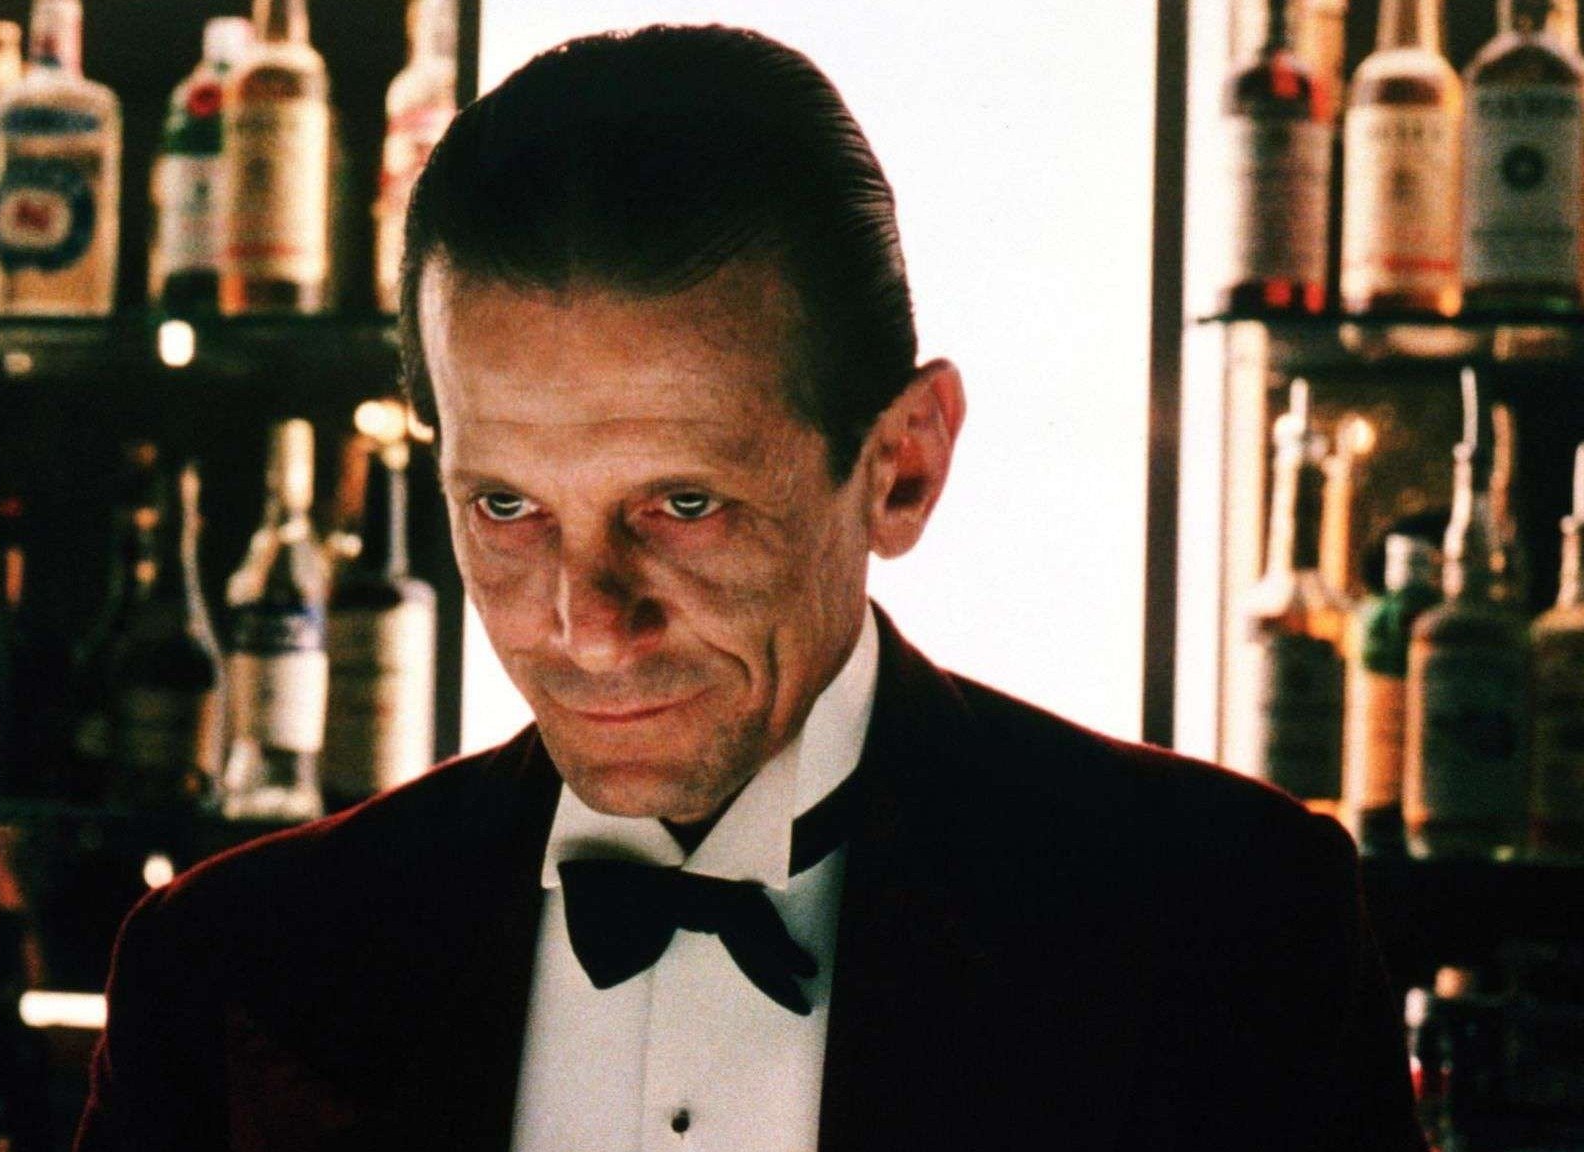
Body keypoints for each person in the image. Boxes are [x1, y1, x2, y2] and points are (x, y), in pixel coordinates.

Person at [76, 24, 1424, 1151]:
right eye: (507, 508)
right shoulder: (231, 969)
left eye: (684, 505)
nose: (586, 625)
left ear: (902, 467)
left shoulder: (1230, 929)